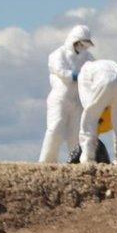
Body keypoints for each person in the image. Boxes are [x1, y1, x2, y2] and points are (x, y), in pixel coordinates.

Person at [39, 25, 94, 162]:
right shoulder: (58, 54)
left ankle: (75, 161)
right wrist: (78, 76)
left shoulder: (88, 57)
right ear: (75, 41)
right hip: (60, 99)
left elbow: (94, 70)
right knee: (55, 129)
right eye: (82, 44)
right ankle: (47, 161)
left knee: (75, 134)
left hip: (78, 100)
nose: (84, 48)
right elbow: (61, 72)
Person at [76, 60, 117, 164]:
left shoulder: (83, 74)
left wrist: (98, 116)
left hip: (106, 80)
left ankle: (88, 156)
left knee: (89, 117)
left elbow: (87, 102)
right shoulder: (102, 64)